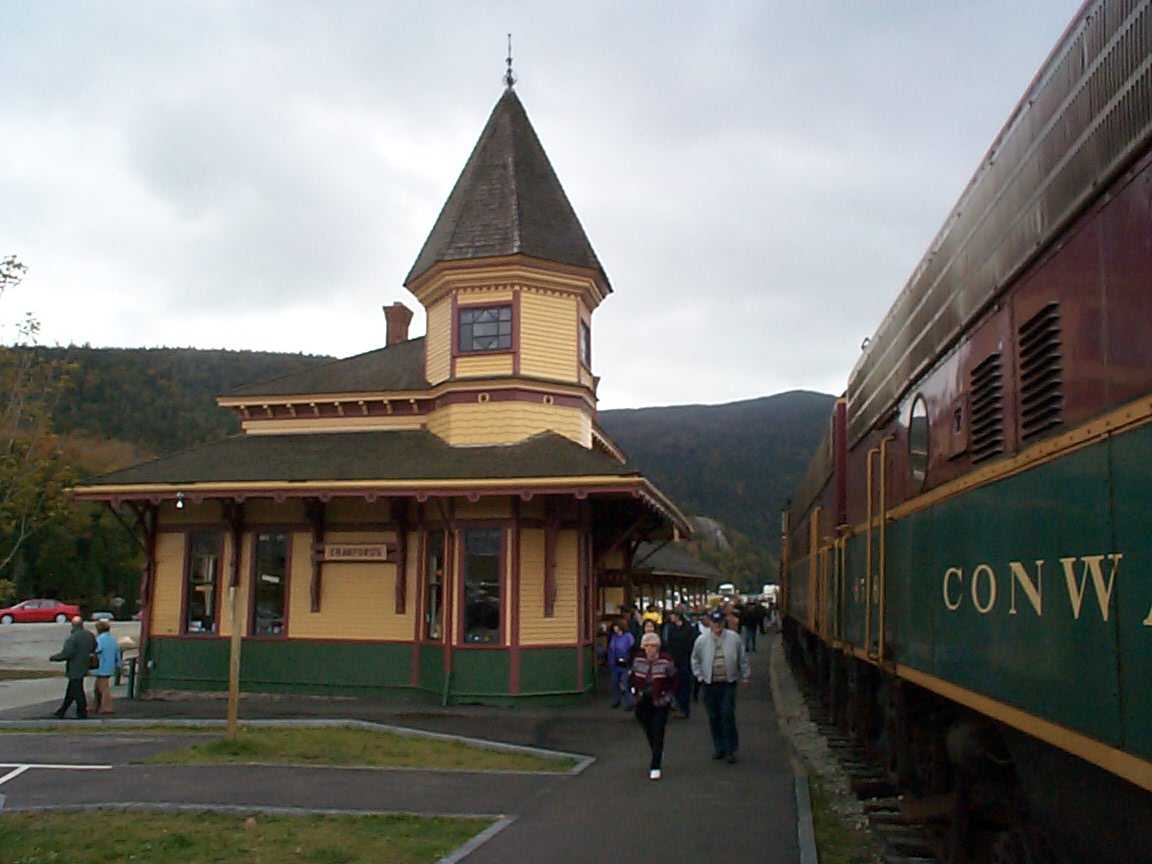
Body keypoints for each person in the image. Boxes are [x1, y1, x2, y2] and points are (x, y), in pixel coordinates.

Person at [691, 608, 751, 763]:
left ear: (724, 622)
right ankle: (719, 747)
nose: (717, 625)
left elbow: (742, 658)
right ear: (709, 623)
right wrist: (698, 675)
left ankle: (731, 749)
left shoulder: (734, 638)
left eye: (720, 622)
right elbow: (695, 659)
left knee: (727, 714)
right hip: (709, 683)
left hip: (728, 683)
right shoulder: (702, 640)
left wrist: (745, 675)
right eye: (714, 622)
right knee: (713, 716)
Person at [630, 632, 677, 780]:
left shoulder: (666, 660)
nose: (650, 649)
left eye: (653, 646)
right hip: (642, 701)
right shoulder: (638, 659)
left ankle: (655, 765)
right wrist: (633, 692)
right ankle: (657, 749)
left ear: (658, 647)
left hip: (660, 701)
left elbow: (674, 680)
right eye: (647, 646)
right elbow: (631, 677)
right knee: (648, 729)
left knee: (658, 729)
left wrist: (668, 697)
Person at [50, 616, 97, 720]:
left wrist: (54, 658)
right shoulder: (90, 635)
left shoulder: (73, 638)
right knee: (72, 690)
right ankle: (62, 711)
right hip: (85, 665)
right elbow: (94, 647)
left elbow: (67, 653)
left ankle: (82, 712)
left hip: (75, 667)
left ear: (73, 625)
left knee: (77, 690)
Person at [663, 609, 697, 718]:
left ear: (678, 616)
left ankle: (684, 709)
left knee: (684, 685)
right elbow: (668, 643)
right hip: (673, 660)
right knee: (674, 685)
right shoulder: (670, 628)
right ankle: (677, 707)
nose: (671, 618)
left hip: (685, 660)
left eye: (672, 616)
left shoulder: (688, 628)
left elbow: (691, 643)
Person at [92, 620, 121, 715]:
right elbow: (118, 653)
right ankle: (95, 705)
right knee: (97, 687)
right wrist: (118, 665)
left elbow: (97, 650)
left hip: (101, 666)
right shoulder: (113, 639)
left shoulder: (99, 640)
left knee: (103, 688)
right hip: (110, 666)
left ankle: (107, 707)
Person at [607, 620, 635, 709]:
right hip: (614, 663)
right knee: (614, 683)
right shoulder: (613, 637)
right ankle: (616, 701)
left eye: (617, 627)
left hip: (625, 663)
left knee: (625, 682)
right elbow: (611, 649)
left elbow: (632, 649)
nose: (615, 629)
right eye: (614, 627)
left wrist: (629, 660)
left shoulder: (628, 636)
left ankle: (630, 702)